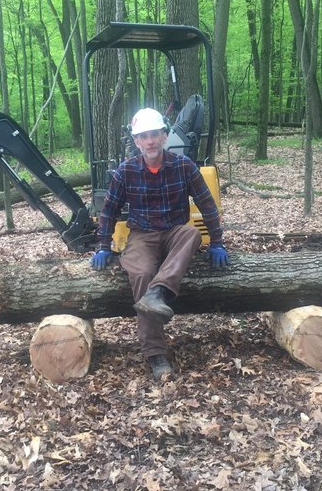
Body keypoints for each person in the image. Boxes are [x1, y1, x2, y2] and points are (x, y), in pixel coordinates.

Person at [90, 107, 229, 381]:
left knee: (191, 234)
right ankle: (155, 354)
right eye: (144, 137)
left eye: (155, 135)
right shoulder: (125, 171)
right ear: (137, 141)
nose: (150, 141)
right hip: (142, 235)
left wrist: (217, 240)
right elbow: (109, 211)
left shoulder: (184, 166)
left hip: (175, 230)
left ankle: (158, 293)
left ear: (165, 137)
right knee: (140, 273)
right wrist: (103, 245)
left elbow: (206, 203)